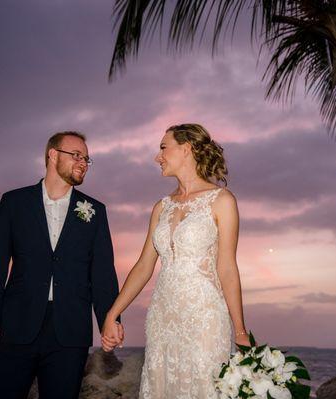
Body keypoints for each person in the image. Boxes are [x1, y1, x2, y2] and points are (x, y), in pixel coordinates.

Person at [100, 123, 249, 398]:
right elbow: (144, 266)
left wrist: (240, 330)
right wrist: (112, 314)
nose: (158, 157)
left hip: (204, 315)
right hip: (162, 316)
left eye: (163, 148)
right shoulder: (161, 207)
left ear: (186, 149)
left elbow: (227, 267)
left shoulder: (222, 200)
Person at [0, 131, 124, 399]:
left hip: (70, 333)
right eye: (76, 155)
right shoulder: (14, 202)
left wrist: (109, 321)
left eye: (87, 159)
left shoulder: (95, 210)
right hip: (15, 329)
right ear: (52, 155)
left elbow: (102, 274)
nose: (83, 162)